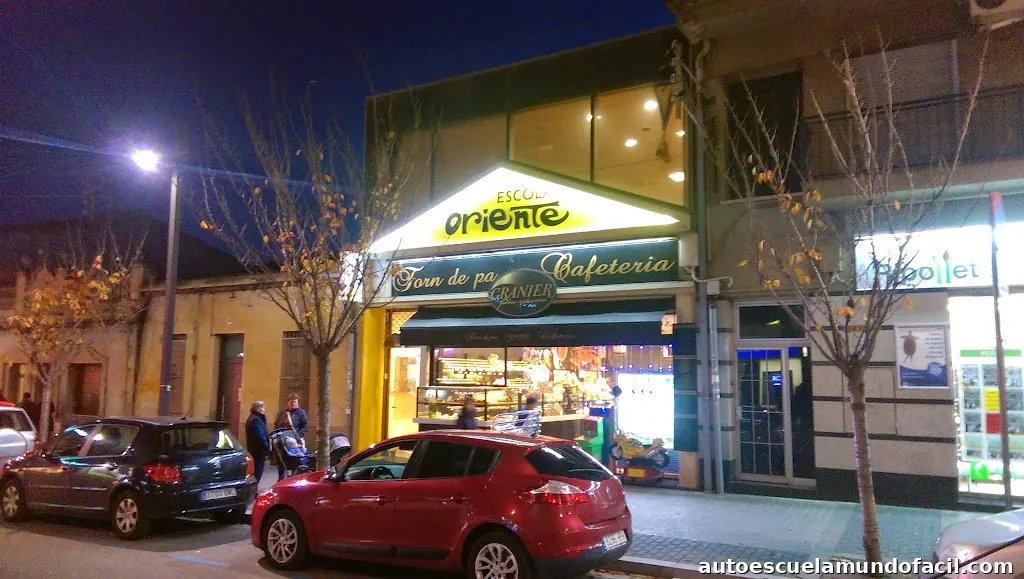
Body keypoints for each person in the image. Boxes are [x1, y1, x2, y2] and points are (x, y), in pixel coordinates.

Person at [274, 394, 309, 480]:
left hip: (294, 441)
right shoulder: (283, 413)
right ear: (287, 402)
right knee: (281, 461)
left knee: (295, 460)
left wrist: (298, 436)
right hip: (282, 441)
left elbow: (305, 426)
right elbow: (276, 424)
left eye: (295, 402)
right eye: (291, 402)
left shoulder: (301, 413)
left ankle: (293, 478)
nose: (293, 403)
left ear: (298, 403)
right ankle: (281, 479)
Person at [244, 401, 270, 484]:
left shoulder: (253, 418)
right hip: (258, 450)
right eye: (263, 408)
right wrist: (266, 446)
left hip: (254, 449)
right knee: (257, 471)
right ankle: (254, 488)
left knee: (256, 470)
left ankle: (254, 487)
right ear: (258, 409)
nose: (264, 409)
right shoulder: (256, 420)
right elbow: (260, 435)